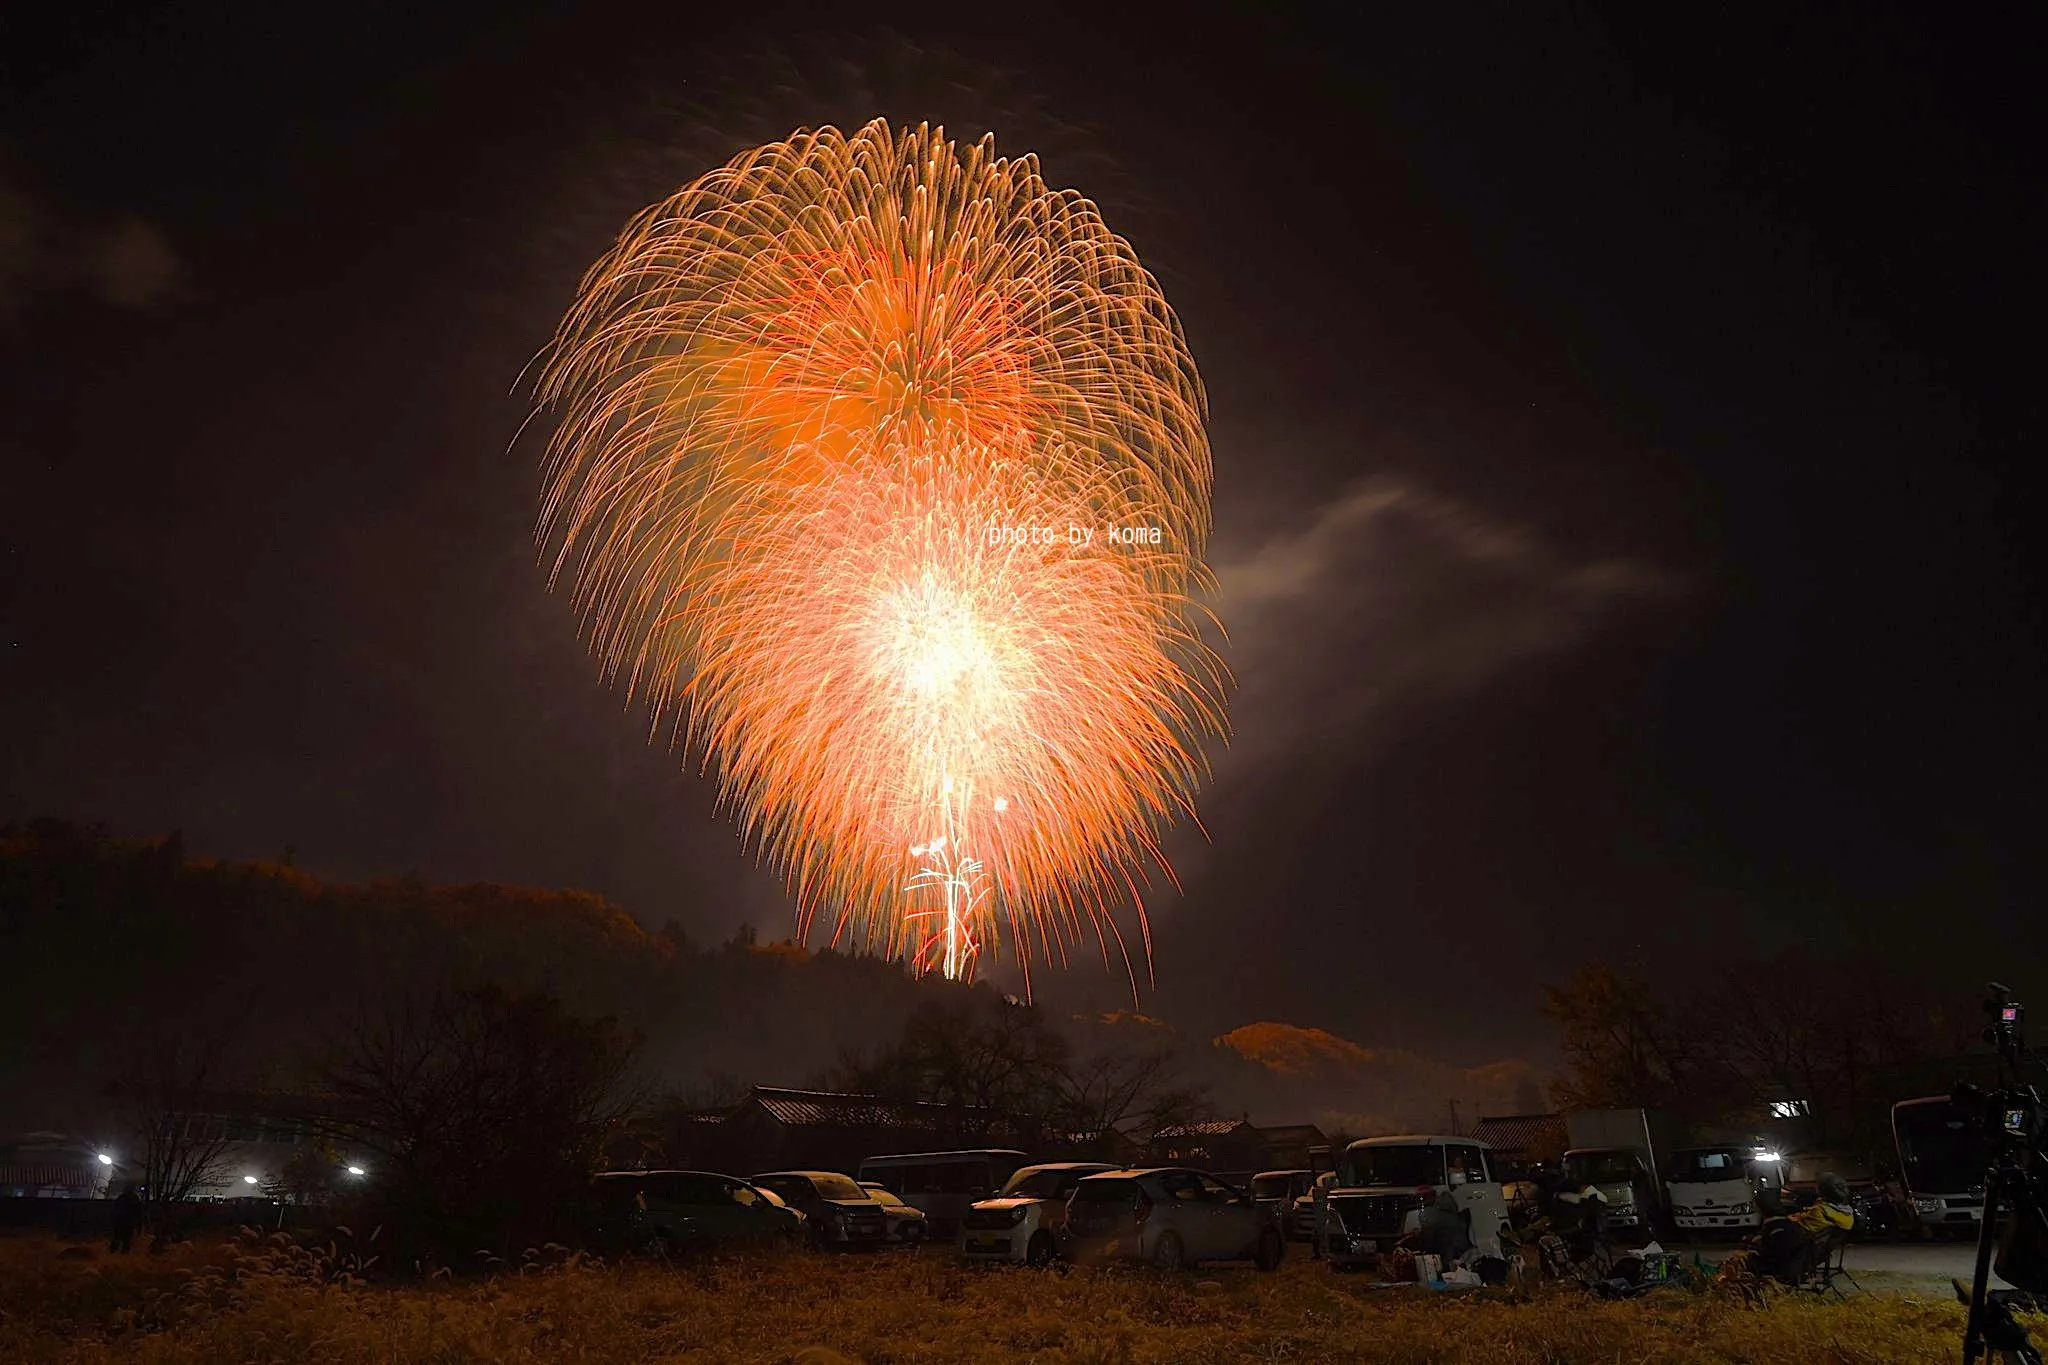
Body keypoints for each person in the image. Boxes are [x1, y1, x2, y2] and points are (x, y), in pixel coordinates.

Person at [1753, 1172, 1854, 1283]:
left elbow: (1800, 1229)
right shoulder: (1844, 1213)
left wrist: (1783, 1220)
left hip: (1802, 1250)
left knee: (1774, 1227)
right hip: (1812, 1248)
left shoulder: (1821, 1212)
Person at [1410, 1190, 1474, 1263]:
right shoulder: (1456, 1217)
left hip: (1450, 1252)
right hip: (1463, 1250)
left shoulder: (1433, 1215)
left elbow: (1428, 1238)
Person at [1310, 1170, 1338, 1260]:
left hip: (1327, 1215)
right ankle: (1319, 1252)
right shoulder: (1321, 1192)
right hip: (1322, 1215)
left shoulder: (1332, 1193)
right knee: (1317, 1234)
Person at [109, 1182, 142, 1253]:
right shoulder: (133, 1198)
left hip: (120, 1221)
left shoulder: (121, 1198)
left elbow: (114, 1209)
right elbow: (138, 1211)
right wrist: (138, 1223)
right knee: (126, 1239)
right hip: (127, 1222)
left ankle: (113, 1252)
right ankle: (123, 1253)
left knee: (118, 1237)